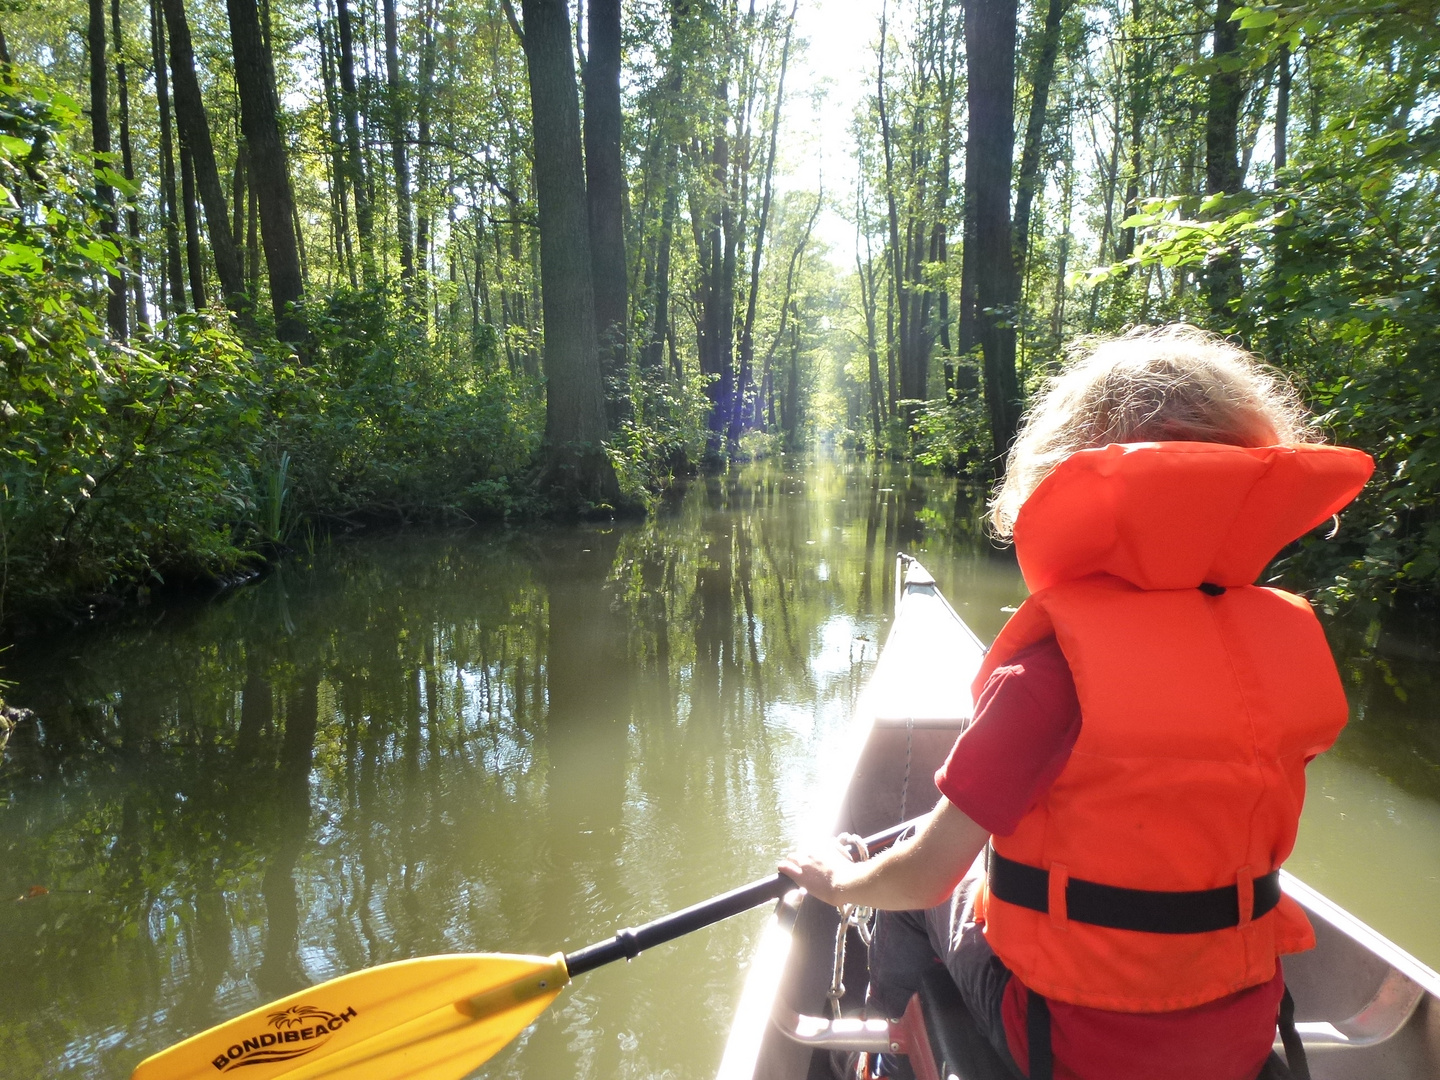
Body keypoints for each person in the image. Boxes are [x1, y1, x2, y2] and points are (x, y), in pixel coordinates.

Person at [780, 325, 1375, 1080]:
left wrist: (838, 880)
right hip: (1240, 1036)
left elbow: (926, 875)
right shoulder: (1280, 651)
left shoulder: (1049, 672)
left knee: (906, 894)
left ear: (1068, 486)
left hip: (1071, 1047)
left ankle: (888, 1059)